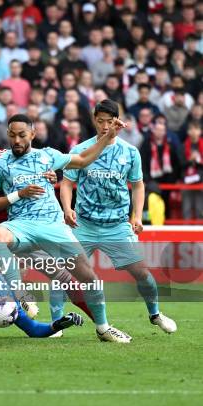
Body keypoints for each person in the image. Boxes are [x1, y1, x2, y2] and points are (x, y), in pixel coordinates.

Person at [0, 113, 132, 343]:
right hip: (19, 227)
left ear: (32, 134)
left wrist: (107, 137)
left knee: (87, 277)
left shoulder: (48, 155)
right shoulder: (0, 164)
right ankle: (16, 296)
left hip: (52, 226)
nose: (16, 140)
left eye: (21, 135)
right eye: (12, 135)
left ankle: (103, 327)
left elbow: (83, 159)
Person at [59, 99, 176, 334]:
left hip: (118, 226)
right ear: (94, 120)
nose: (104, 126)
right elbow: (67, 183)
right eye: (100, 121)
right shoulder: (80, 150)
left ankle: (155, 314)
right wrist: (66, 208)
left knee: (142, 273)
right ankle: (57, 322)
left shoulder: (130, 152)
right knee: (64, 271)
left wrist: (137, 216)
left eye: (109, 121)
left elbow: (138, 185)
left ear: (117, 121)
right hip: (84, 224)